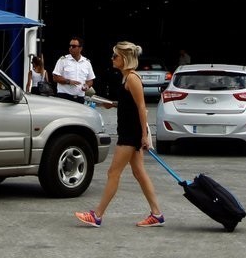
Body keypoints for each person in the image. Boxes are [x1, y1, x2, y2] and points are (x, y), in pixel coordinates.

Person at [75, 41, 164, 228]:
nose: (112, 59)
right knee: (139, 173)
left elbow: (142, 108)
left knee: (113, 172)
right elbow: (130, 104)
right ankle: (156, 214)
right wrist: (112, 104)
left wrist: (144, 136)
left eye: (115, 56)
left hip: (130, 135)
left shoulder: (132, 78)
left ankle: (97, 215)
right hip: (128, 131)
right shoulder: (126, 79)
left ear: (125, 59)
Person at [52, 37, 95, 103]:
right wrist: (68, 81)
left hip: (80, 97)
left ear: (80, 48)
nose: (70, 48)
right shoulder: (63, 60)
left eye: (74, 46)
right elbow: (55, 77)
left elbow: (90, 80)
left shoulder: (87, 62)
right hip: (64, 96)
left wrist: (87, 86)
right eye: (70, 46)